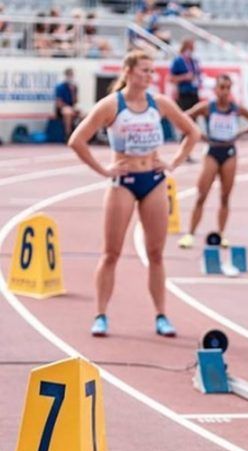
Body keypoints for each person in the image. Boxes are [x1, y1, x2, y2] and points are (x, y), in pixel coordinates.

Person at [68, 50, 201, 337]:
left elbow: (193, 133)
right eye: (144, 70)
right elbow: (76, 140)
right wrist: (103, 170)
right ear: (128, 71)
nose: (149, 76)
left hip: (153, 180)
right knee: (111, 253)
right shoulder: (111, 106)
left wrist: (174, 163)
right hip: (123, 182)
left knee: (155, 253)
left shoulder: (160, 103)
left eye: (152, 71)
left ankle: (161, 315)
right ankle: (100, 314)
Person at [177, 74, 248, 250]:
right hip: (212, 150)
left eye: (228, 88)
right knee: (202, 194)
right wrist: (198, 134)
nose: (224, 91)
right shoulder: (207, 107)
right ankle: (190, 234)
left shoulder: (237, 109)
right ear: (215, 89)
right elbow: (183, 118)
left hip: (229, 151)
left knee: (225, 197)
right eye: (221, 87)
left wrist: (241, 133)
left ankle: (221, 234)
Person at [55, 68, 81, 142]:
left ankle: (81, 135)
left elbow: (75, 102)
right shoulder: (60, 87)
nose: (71, 77)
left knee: (84, 114)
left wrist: (73, 92)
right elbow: (59, 103)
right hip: (62, 109)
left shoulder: (74, 87)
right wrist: (68, 107)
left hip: (71, 107)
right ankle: (68, 134)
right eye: (69, 75)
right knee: (67, 112)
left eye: (72, 75)